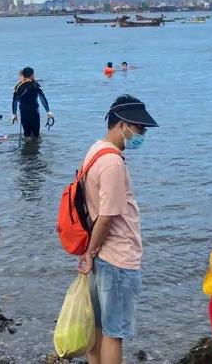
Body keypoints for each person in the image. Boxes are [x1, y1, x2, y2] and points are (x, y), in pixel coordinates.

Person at [77, 94, 158, 364]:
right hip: (117, 258)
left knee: (97, 326)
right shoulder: (112, 162)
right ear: (122, 124)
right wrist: (90, 253)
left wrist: (90, 252)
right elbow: (108, 215)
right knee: (114, 332)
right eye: (140, 129)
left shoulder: (95, 150)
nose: (142, 134)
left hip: (101, 256)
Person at [11, 67, 53, 140]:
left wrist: (14, 114)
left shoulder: (18, 87)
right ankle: (34, 149)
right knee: (36, 135)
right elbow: (42, 99)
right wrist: (48, 111)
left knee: (27, 135)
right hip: (34, 112)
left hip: (24, 113)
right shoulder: (35, 85)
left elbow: (14, 101)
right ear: (32, 75)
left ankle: (27, 149)